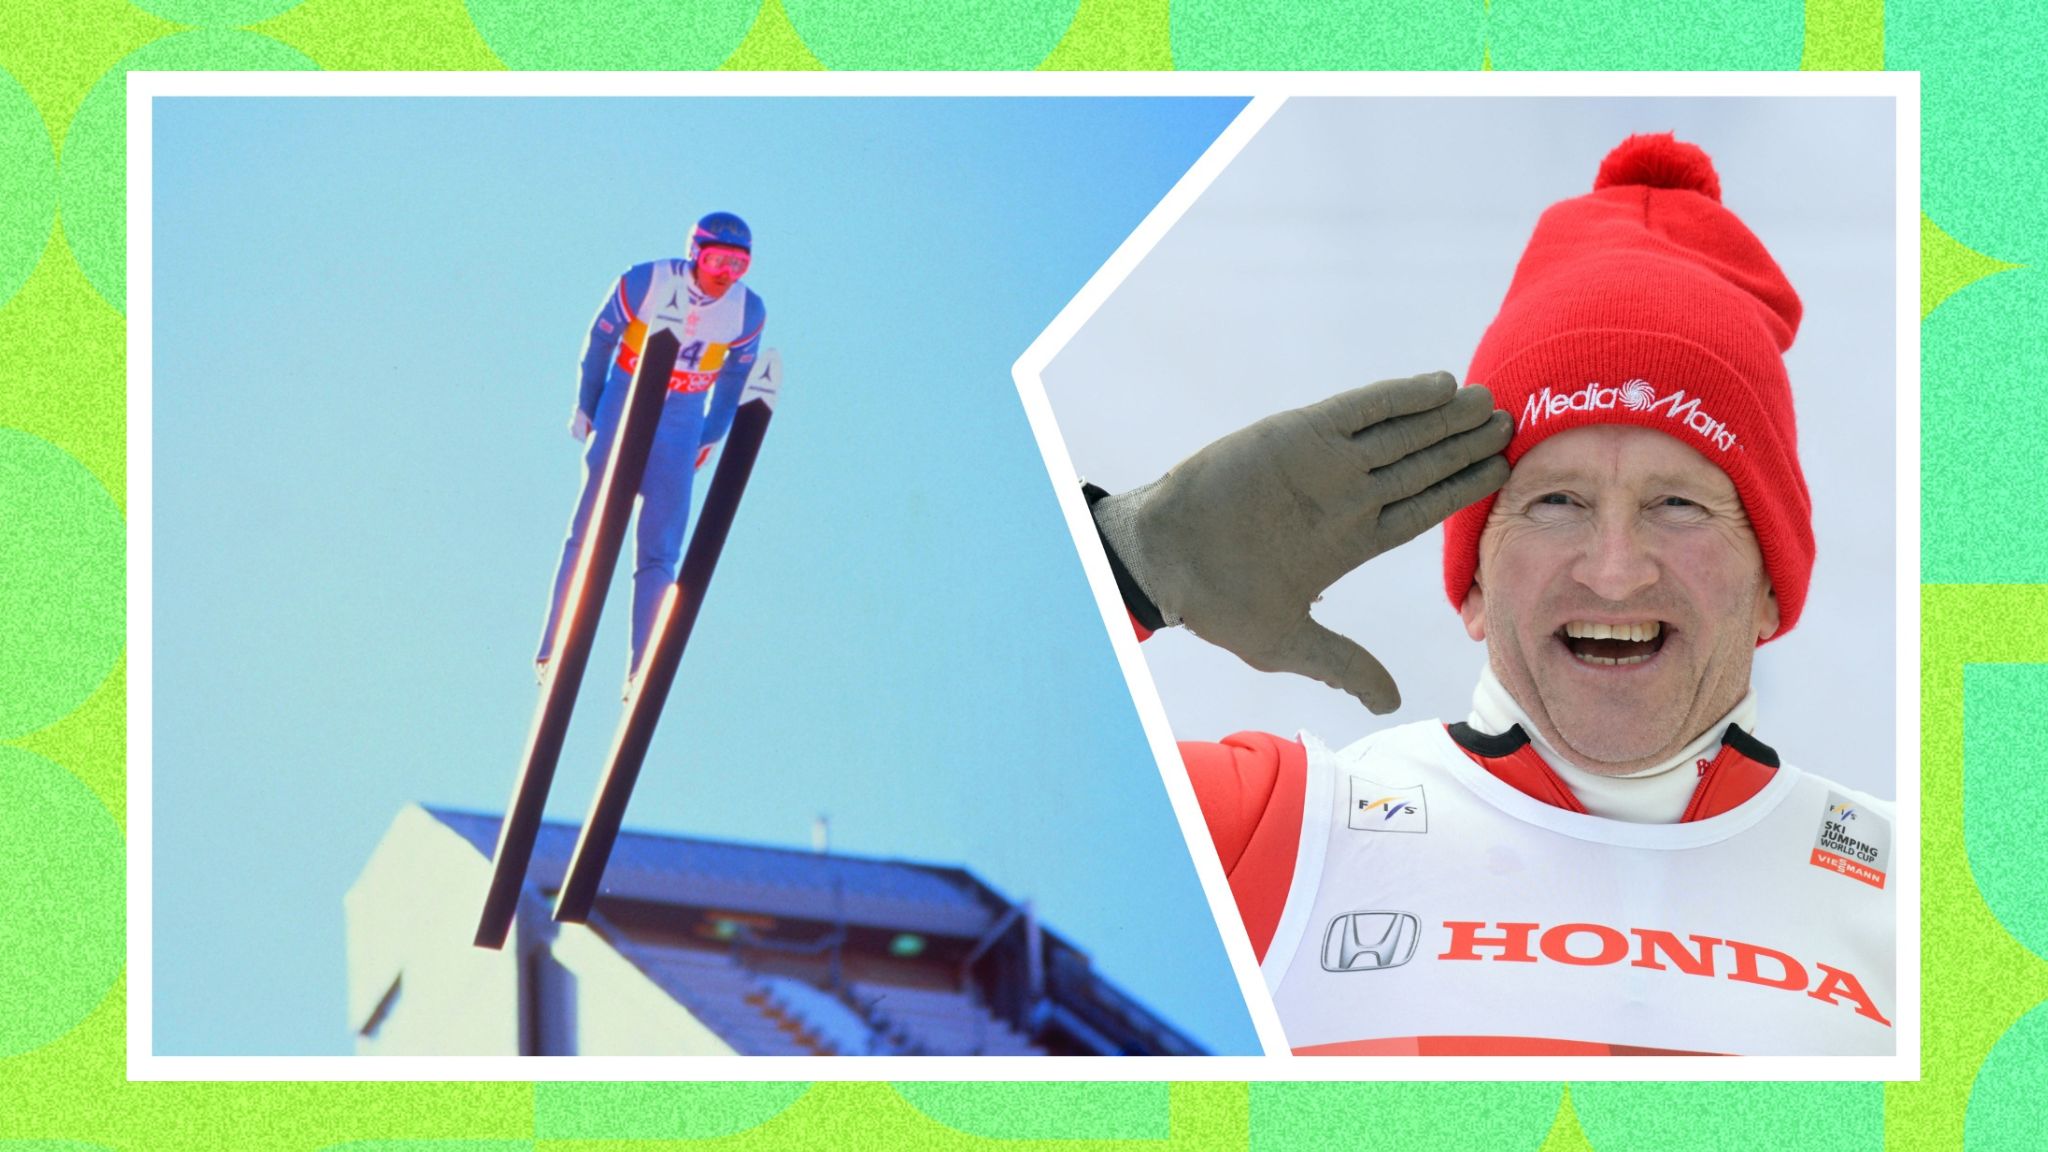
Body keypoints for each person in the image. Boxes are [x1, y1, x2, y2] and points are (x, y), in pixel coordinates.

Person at [1086, 134, 1893, 1056]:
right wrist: (1137, 565)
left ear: (1770, 587)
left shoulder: (1934, 900)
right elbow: (942, 775)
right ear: (1471, 580)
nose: (1614, 568)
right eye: (1556, 502)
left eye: (1678, 503)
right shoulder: (1276, 828)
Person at [536, 211, 767, 684]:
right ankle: (554, 643)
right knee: (593, 522)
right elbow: (599, 343)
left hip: (682, 417)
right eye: (718, 260)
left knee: (661, 549)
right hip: (626, 395)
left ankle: (642, 667)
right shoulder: (646, 280)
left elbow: (733, 383)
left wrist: (710, 434)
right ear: (695, 254)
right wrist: (588, 402)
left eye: (738, 265)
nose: (726, 274)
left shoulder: (748, 310)